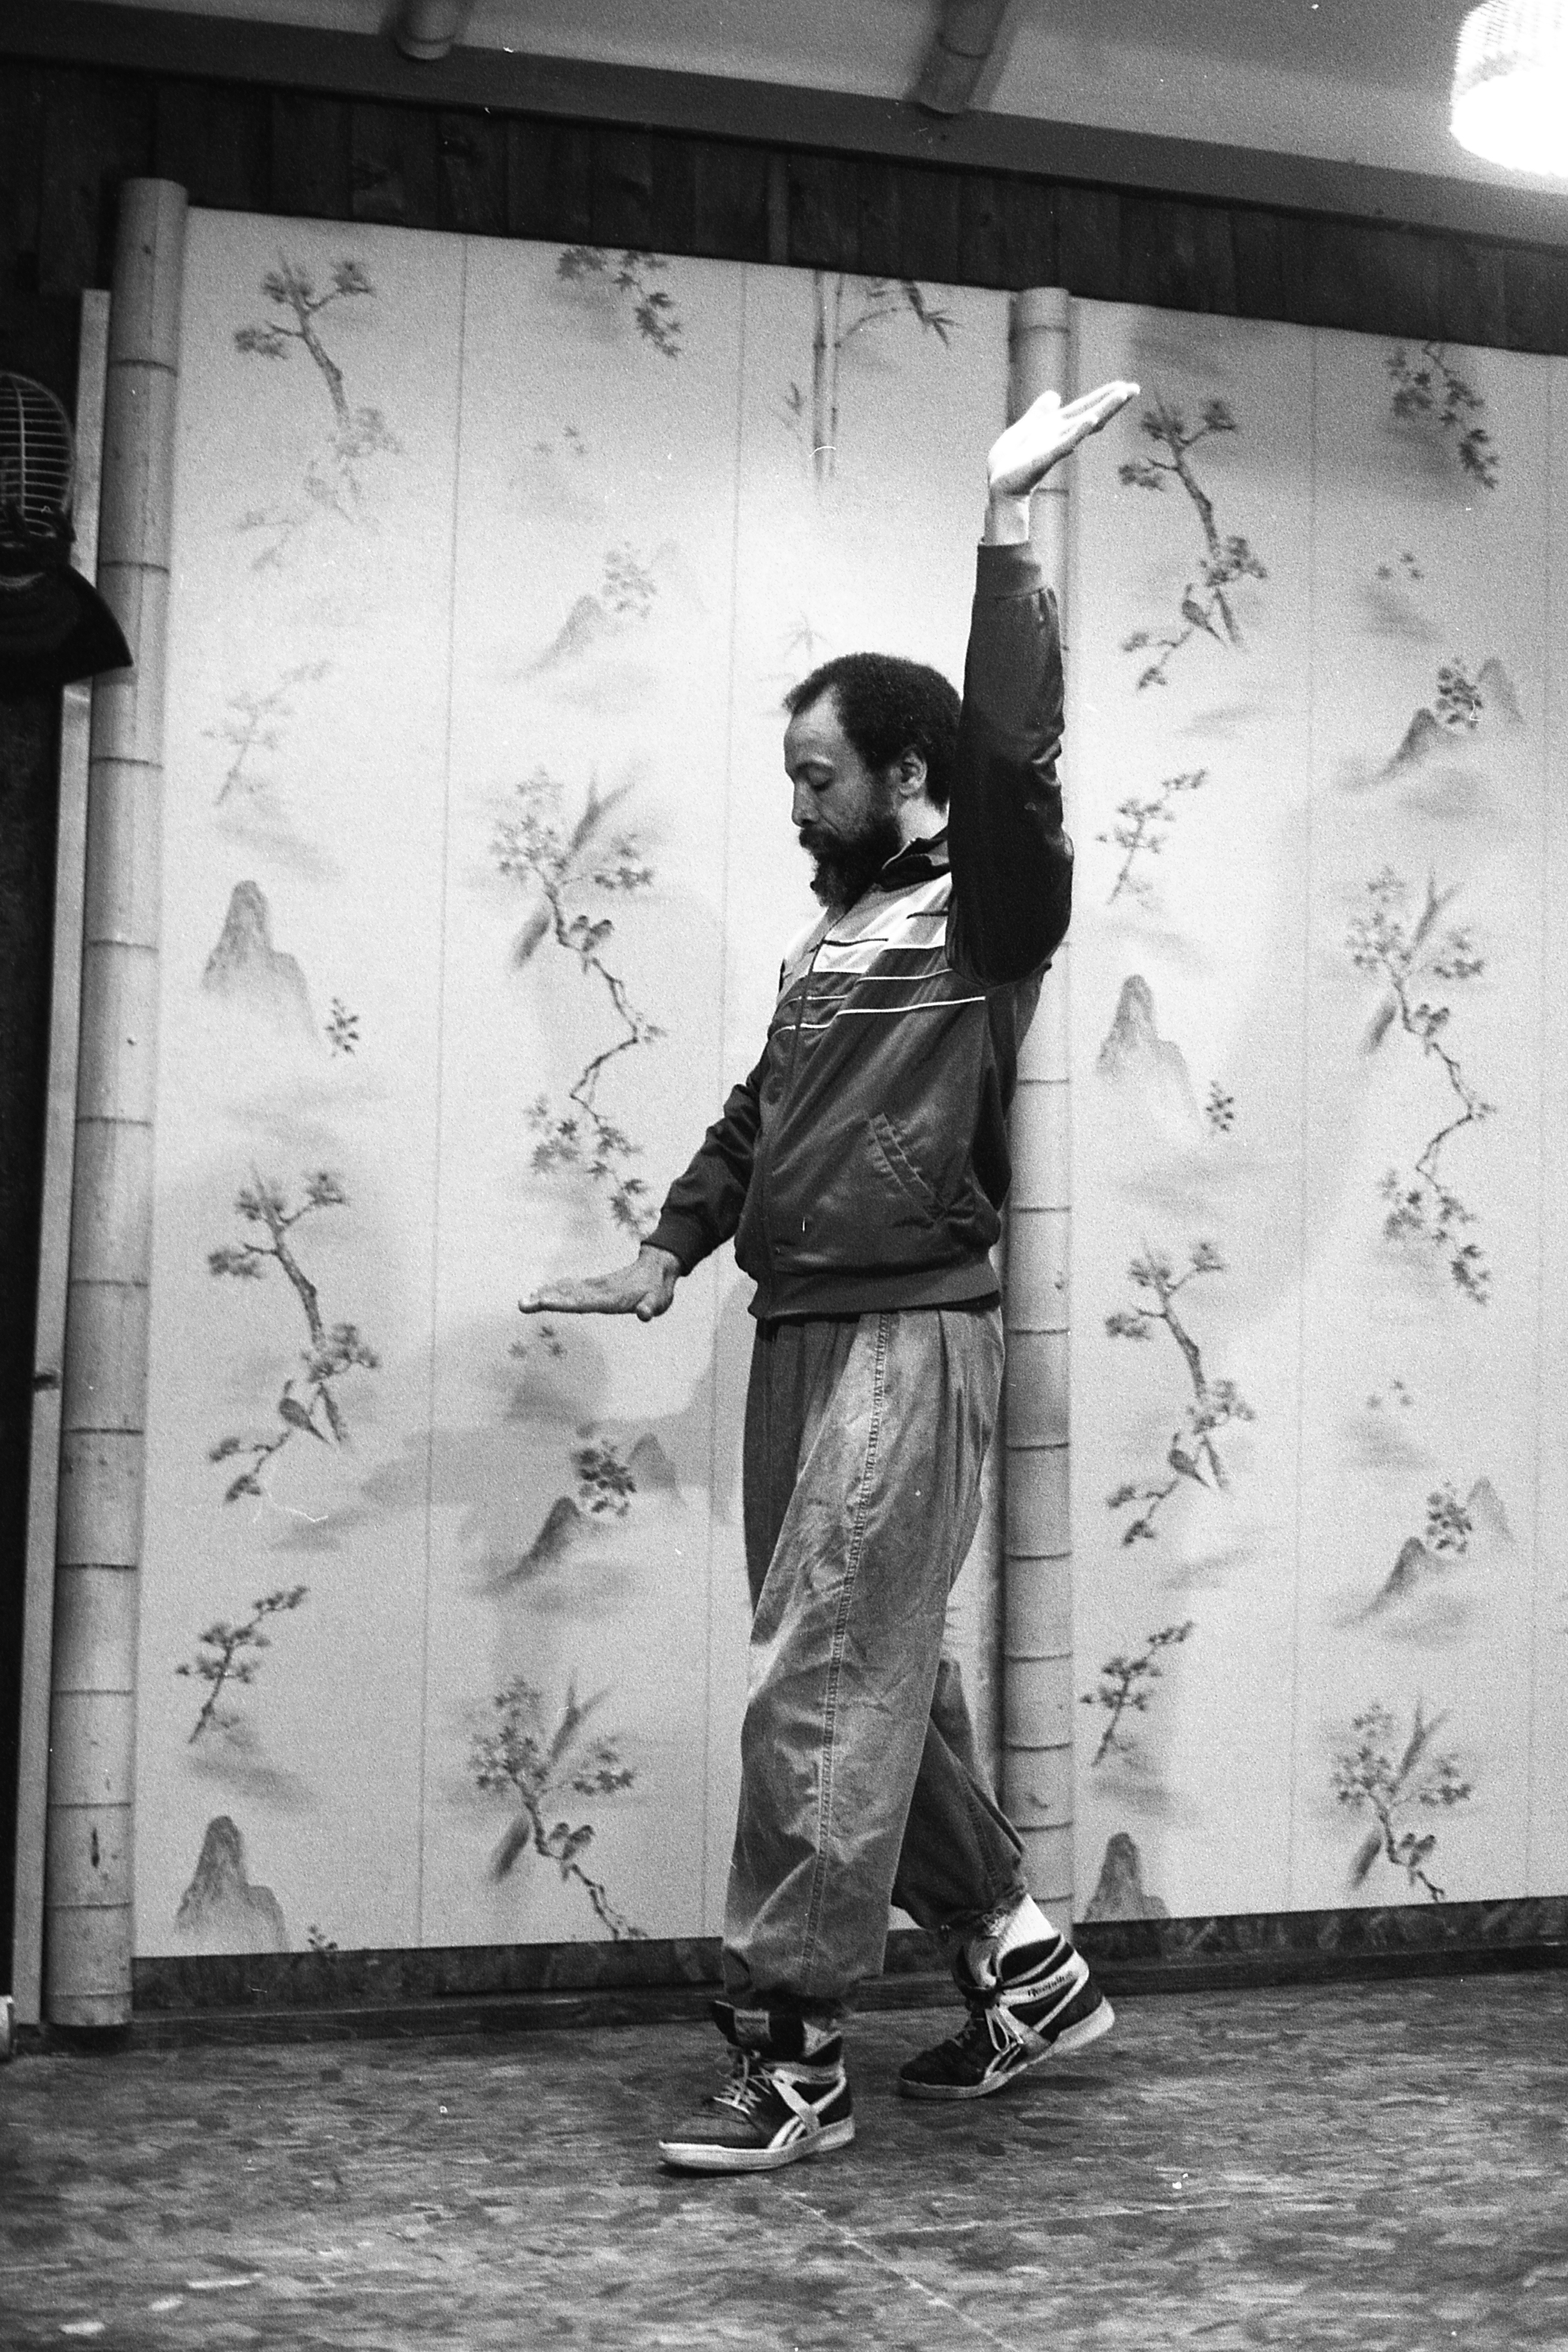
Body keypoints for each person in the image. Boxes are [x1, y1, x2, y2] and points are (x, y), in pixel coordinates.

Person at [520, 376, 1139, 2174]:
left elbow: (1016, 761)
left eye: (819, 776)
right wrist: (667, 1249)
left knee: (819, 1686)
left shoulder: (985, 913)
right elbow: (760, 1110)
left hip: (909, 1333)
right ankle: (1021, 1965)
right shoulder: (834, 942)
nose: (799, 806)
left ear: (906, 778)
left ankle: (793, 2056)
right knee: (876, 1676)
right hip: (800, 1331)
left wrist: (1004, 533)